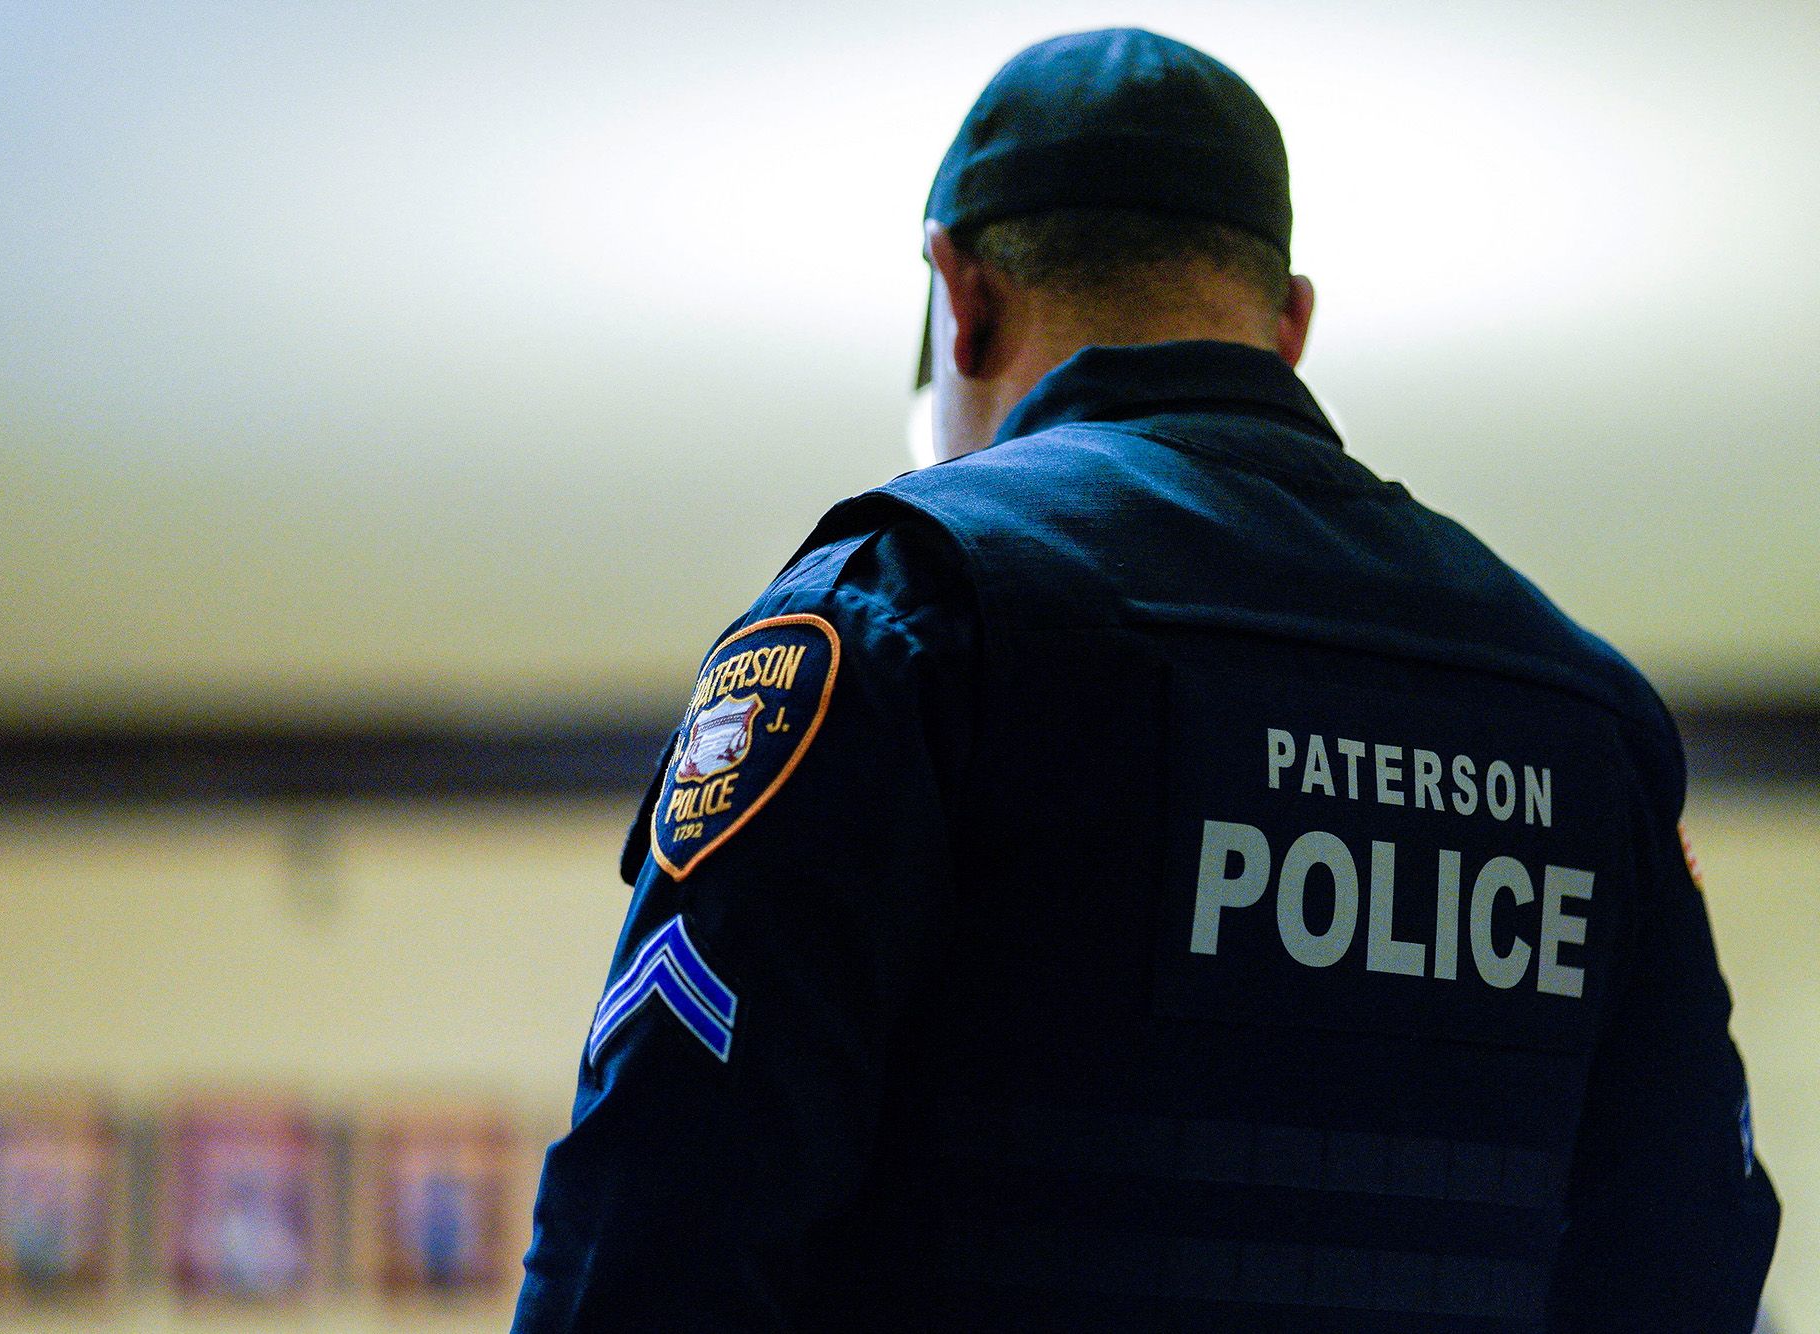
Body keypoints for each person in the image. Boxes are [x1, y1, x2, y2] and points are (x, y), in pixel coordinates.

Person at [513, 28, 1780, 1333]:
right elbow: (1690, 1248)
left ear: (961, 298)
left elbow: (657, 1233)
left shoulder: (906, 621)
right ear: (1288, 326)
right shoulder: (1578, 711)